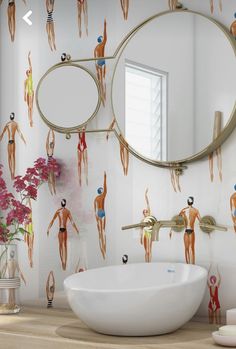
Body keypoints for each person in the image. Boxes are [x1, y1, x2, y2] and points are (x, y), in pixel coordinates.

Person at [47, 199, 79, 270]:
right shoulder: (61, 211)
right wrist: (48, 228)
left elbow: (72, 221)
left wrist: (77, 229)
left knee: (63, 246)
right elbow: (53, 220)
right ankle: (63, 262)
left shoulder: (66, 211)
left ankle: (64, 262)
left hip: (63, 230)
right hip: (62, 230)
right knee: (62, 245)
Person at [0, 113, 26, 180]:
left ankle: (12, 173)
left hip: (10, 142)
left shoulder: (8, 124)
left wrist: (23, 140)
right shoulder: (14, 124)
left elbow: (2, 133)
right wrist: (23, 140)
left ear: (10, 117)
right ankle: (12, 173)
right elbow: (19, 133)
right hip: (13, 142)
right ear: (14, 117)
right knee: (12, 157)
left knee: (10, 157)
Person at [179, 196, 201, 264]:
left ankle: (190, 264)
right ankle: (190, 264)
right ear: (193, 202)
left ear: (187, 202)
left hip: (188, 231)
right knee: (190, 248)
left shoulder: (184, 210)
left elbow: (178, 220)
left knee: (188, 248)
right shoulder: (195, 211)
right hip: (190, 231)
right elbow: (201, 221)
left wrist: (182, 216)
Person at [94, 172, 107, 259]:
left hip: (99, 212)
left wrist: (96, 216)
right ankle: (103, 248)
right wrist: (105, 178)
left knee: (100, 232)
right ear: (100, 191)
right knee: (103, 231)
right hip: (102, 212)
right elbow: (105, 188)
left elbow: (94, 209)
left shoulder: (96, 198)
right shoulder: (102, 197)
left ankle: (103, 249)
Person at [94, 19, 107, 106]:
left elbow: (94, 58)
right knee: (103, 78)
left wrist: (96, 67)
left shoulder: (96, 47)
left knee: (101, 79)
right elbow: (105, 36)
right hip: (102, 61)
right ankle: (103, 95)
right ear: (101, 40)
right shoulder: (102, 45)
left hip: (99, 62)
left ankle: (102, 95)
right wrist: (105, 26)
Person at [140, 188, 153, 263]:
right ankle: (146, 263)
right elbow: (141, 230)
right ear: (143, 213)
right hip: (145, 235)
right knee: (146, 251)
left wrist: (145, 195)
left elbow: (148, 204)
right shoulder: (142, 220)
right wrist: (141, 238)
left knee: (149, 250)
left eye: (147, 211)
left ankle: (149, 263)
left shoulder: (149, 217)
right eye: (145, 212)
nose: (146, 212)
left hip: (149, 234)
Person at [24, 51, 34, 127]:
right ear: (27, 74)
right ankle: (29, 119)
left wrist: (28, 57)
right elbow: (25, 89)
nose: (29, 72)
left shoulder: (30, 77)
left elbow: (30, 66)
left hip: (32, 92)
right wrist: (24, 96)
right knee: (29, 107)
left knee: (31, 106)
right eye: (28, 72)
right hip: (29, 93)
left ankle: (31, 120)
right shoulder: (26, 80)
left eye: (29, 71)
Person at [24, 197, 34, 268]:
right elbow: (24, 227)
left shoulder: (30, 214)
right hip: (27, 233)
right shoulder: (26, 218)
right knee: (29, 247)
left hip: (31, 233)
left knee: (31, 247)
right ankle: (30, 260)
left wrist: (29, 200)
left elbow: (30, 207)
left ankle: (31, 260)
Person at [46, 129, 56, 195]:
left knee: (53, 178)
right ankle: (51, 191)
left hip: (52, 163)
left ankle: (54, 189)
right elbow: (47, 141)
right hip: (49, 163)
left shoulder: (52, 149)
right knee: (49, 178)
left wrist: (52, 132)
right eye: (51, 144)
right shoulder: (48, 149)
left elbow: (54, 140)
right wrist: (49, 132)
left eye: (52, 144)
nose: (52, 145)